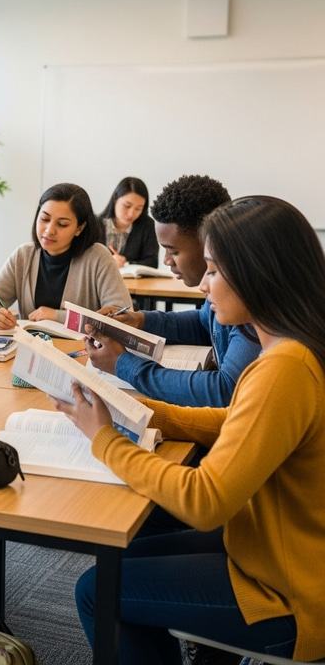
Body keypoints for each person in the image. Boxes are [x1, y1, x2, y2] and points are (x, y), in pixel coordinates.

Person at [56, 195, 325, 664]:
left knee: (97, 590)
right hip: (271, 549)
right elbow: (241, 423)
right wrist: (150, 413)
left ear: (257, 275)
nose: (203, 284)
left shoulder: (283, 368)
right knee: (119, 556)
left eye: (214, 271)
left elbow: (204, 502)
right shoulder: (295, 347)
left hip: (287, 595)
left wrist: (105, 439)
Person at [87, 175, 261, 408]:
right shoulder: (223, 289)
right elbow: (204, 324)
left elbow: (226, 390)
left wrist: (124, 365)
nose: (166, 261)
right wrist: (139, 320)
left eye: (173, 251)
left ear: (209, 242)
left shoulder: (249, 302)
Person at [0, 183, 131, 329]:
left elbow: (123, 317)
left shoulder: (98, 257)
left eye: (62, 224)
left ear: (80, 228)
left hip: (82, 349)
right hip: (31, 347)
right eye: (45, 219)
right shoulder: (23, 255)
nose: (49, 230)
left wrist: (57, 316)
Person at [96, 176, 159, 268]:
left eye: (138, 208)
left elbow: (152, 262)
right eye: (127, 206)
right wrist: (107, 261)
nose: (131, 214)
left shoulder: (147, 225)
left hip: (133, 277)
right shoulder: (95, 224)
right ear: (115, 199)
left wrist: (126, 262)